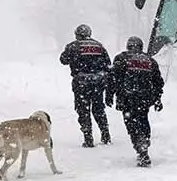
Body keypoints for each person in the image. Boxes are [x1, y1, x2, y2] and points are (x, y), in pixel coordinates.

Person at [106, 36, 164, 167]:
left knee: (131, 123)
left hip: (127, 98)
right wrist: (158, 99)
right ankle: (145, 141)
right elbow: (158, 82)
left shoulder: (121, 58)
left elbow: (113, 78)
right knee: (143, 119)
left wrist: (109, 95)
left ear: (128, 46)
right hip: (145, 98)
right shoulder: (150, 61)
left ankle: (141, 149)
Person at [59, 24, 112, 147]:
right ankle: (106, 135)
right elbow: (107, 65)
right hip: (98, 82)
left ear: (77, 34)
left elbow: (63, 60)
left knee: (83, 110)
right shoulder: (99, 46)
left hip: (81, 82)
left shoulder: (73, 46)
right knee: (99, 109)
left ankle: (88, 138)